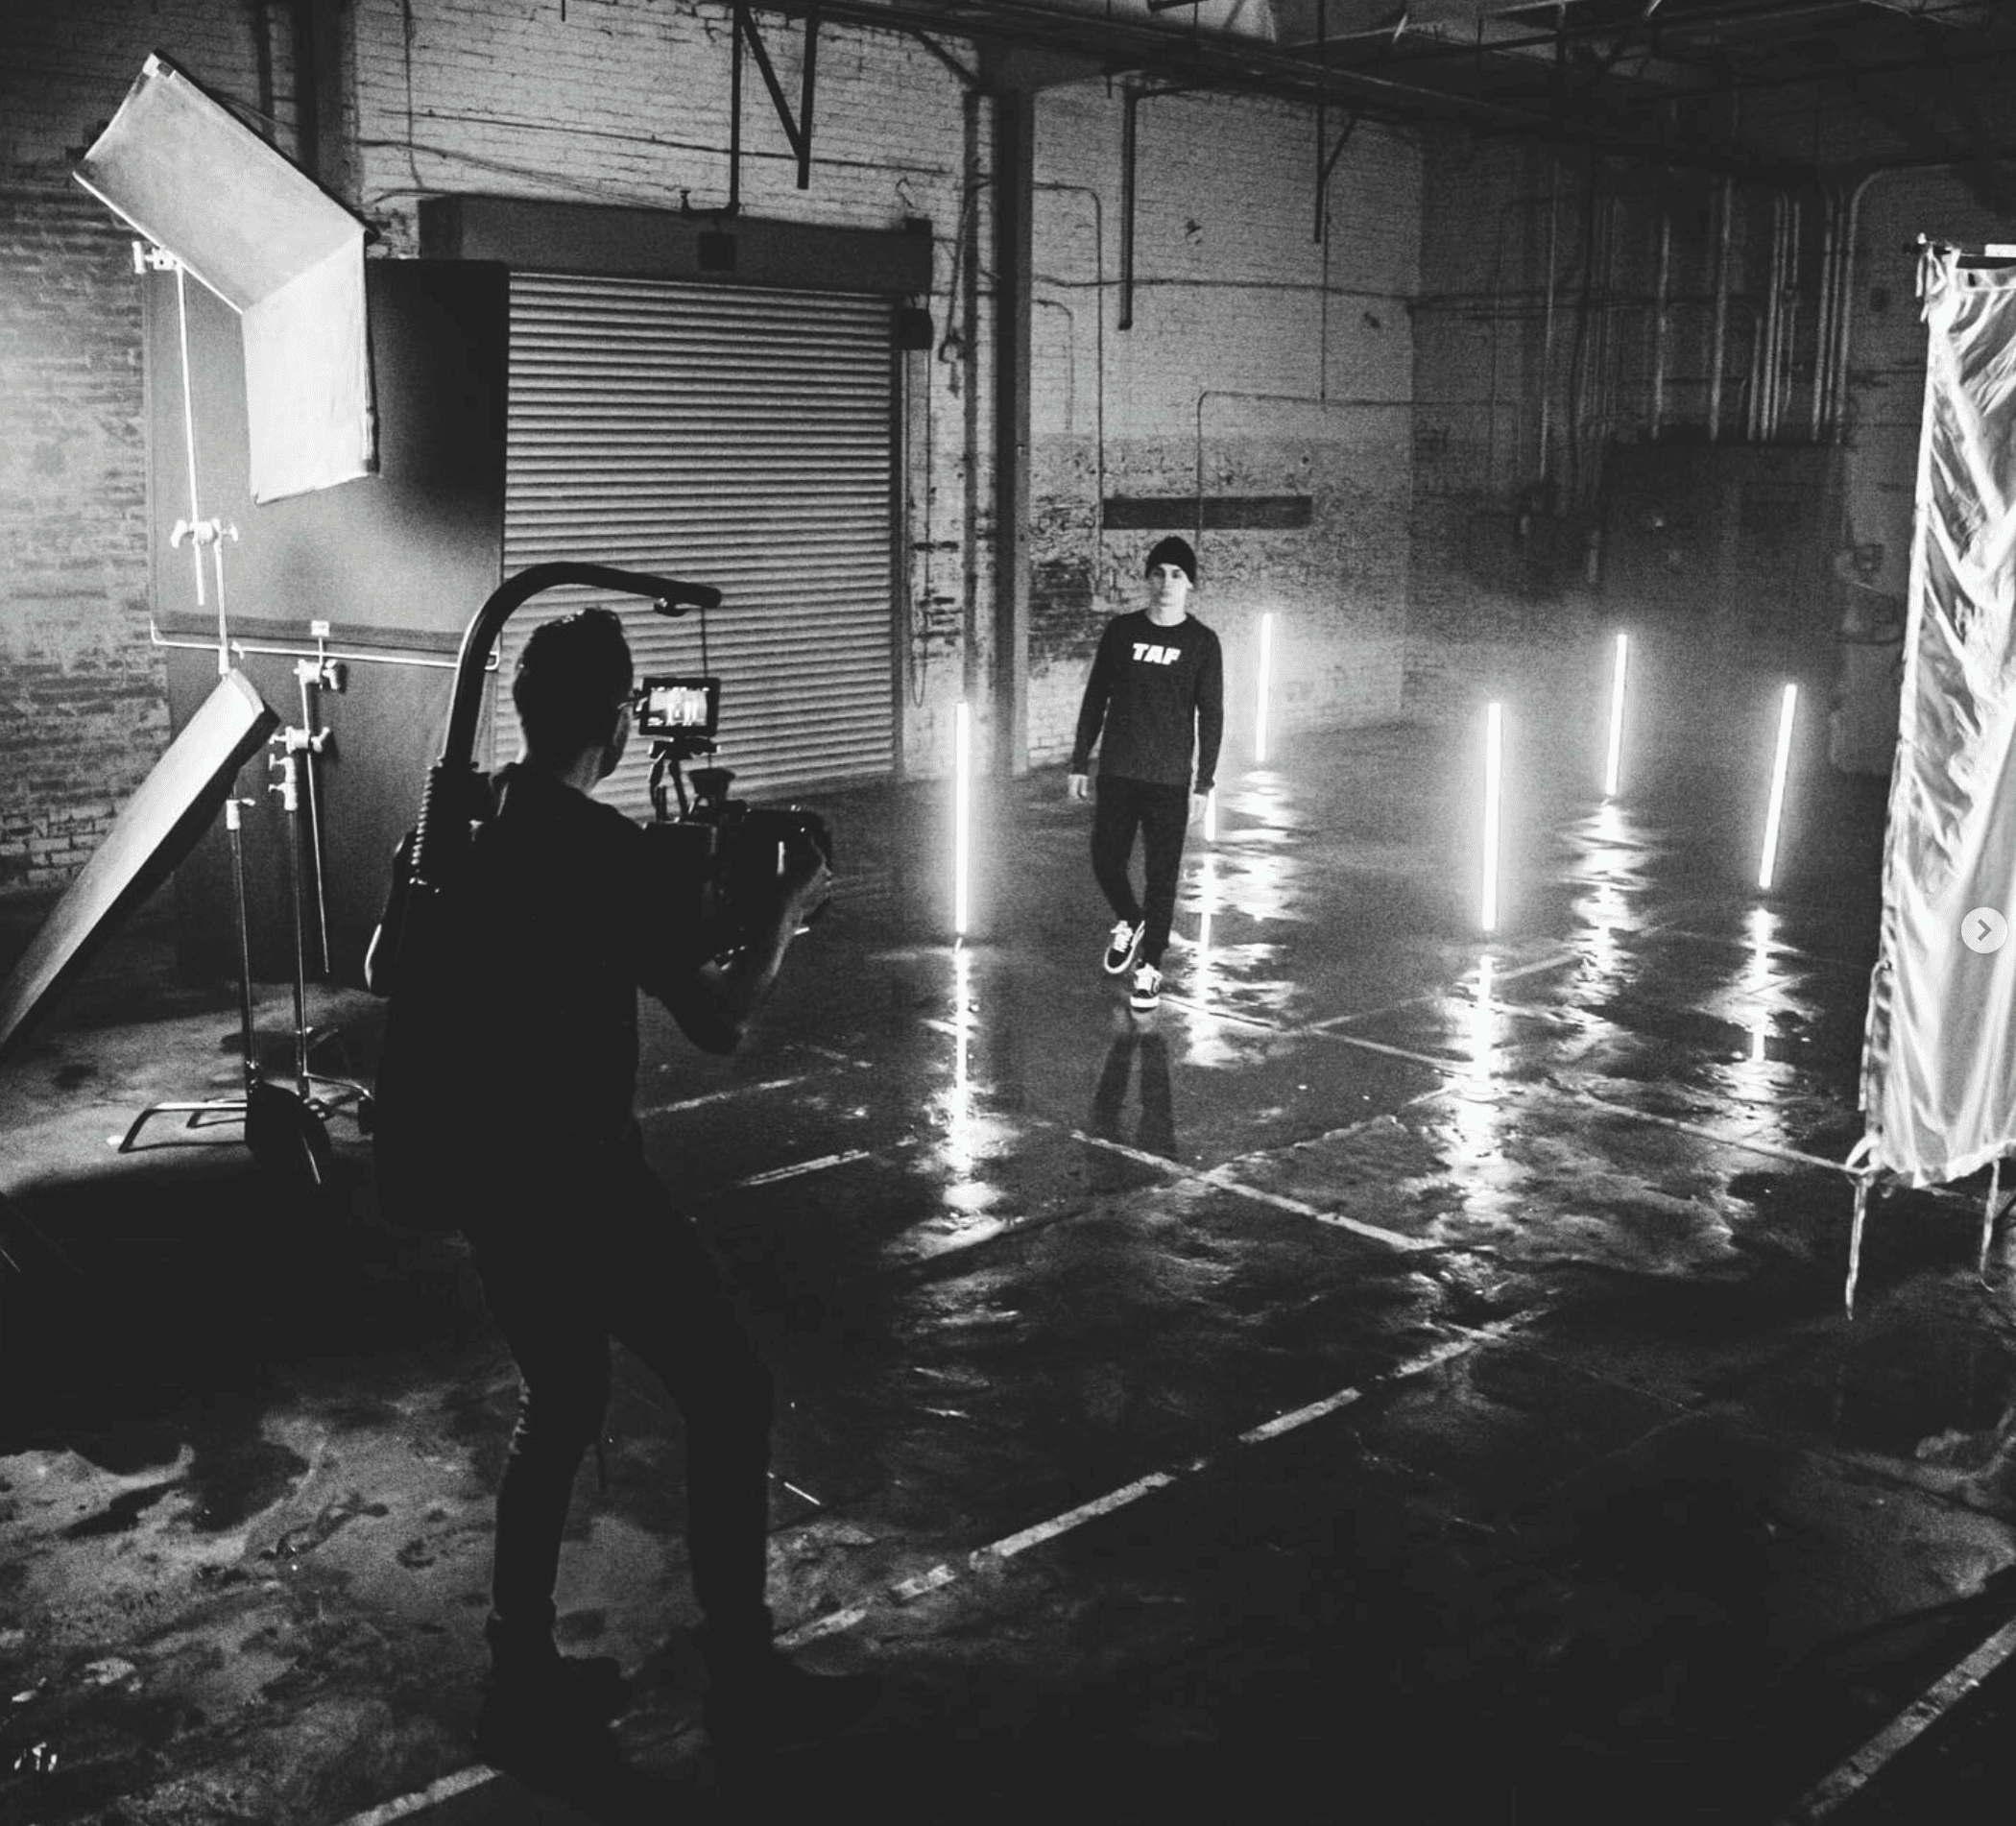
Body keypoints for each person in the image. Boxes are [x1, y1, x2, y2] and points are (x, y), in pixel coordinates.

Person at [373, 608, 875, 1774]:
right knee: (731, 1392)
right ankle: (744, 1674)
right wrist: (786, 916)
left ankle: (522, 1670)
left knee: (560, 1401)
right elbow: (720, 1017)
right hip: (585, 1180)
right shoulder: (601, 856)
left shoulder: (466, 820)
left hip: (493, 1180)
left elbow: (384, 967)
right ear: (613, 718)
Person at [1068, 535, 1225, 1014]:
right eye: (1158, 573)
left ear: (1190, 583)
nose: (1166, 583)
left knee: (1162, 877)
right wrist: (1079, 762)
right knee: (1105, 859)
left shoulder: (1201, 643)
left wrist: (1204, 783)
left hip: (1169, 780)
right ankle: (1130, 920)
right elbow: (1096, 697)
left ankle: (1150, 968)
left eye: (1177, 574)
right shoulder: (1121, 632)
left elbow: (1211, 715)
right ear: (1148, 579)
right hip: (1118, 770)